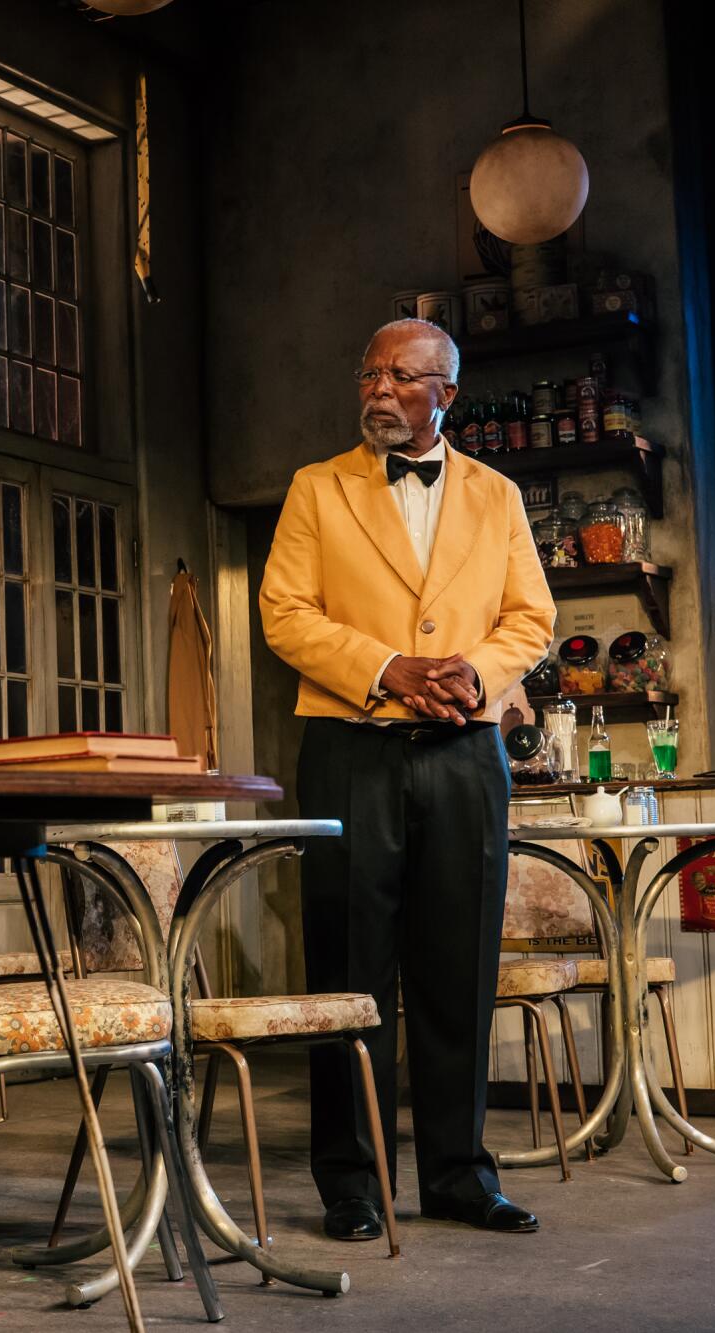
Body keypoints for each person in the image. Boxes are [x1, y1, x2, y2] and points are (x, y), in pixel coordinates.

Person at [257, 317, 556, 1242]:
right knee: (350, 966)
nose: (380, 389)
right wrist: (391, 668)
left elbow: (532, 615)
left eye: (403, 376)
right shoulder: (317, 487)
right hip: (351, 744)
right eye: (371, 372)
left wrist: (471, 673)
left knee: (456, 964)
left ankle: (462, 1173)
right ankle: (353, 1179)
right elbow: (284, 613)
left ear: (447, 396)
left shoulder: (498, 494)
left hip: (464, 753)